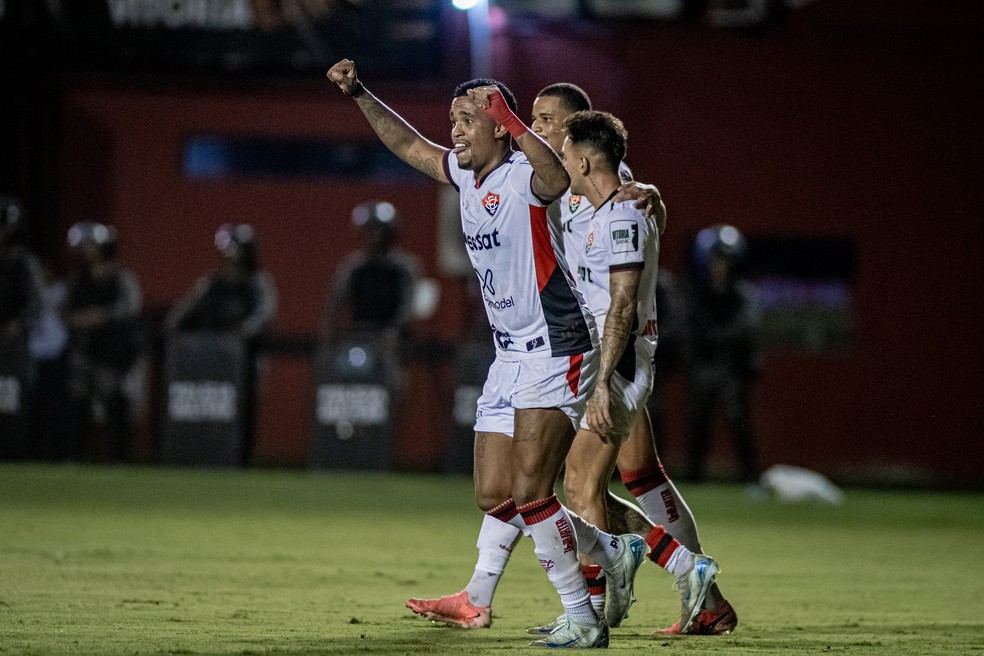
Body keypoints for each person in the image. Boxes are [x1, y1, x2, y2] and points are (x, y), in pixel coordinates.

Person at [328, 59, 646, 648]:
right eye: (452, 119)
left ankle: (581, 617)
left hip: (556, 346)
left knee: (531, 493)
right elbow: (409, 145)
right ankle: (613, 549)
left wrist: (514, 122)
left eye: (467, 119)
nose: (453, 129)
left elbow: (557, 179)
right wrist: (361, 94)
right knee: (493, 494)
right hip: (509, 356)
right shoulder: (465, 175)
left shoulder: (526, 173)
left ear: (500, 125)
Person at [406, 84, 736, 637]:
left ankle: (612, 598)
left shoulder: (614, 191)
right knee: (628, 478)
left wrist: (651, 195)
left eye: (546, 119)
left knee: (569, 486)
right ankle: (683, 591)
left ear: (576, 128)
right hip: (588, 347)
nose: (536, 128)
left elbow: (632, 242)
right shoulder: (559, 183)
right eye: (532, 118)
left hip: (609, 353)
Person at [166, 223, 276, 465]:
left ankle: (241, 461)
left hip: (244, 363)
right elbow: (180, 317)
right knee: (209, 411)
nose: (228, 253)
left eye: (234, 248)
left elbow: (263, 315)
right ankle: (202, 456)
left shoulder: (258, 282)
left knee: (243, 413)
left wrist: (242, 333)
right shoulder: (212, 283)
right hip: (211, 361)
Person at [684, 224, 762, 485]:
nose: (721, 266)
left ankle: (751, 478)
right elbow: (689, 329)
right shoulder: (696, 295)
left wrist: (718, 338)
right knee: (698, 422)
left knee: (739, 420)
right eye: (717, 259)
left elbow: (745, 330)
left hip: (731, 368)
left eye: (727, 260)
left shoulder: (743, 296)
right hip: (704, 366)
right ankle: (693, 478)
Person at [63, 222, 144, 462]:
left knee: (114, 404)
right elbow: (65, 312)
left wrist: (97, 317)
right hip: (85, 350)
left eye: (92, 246)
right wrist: (76, 320)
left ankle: (117, 459)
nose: (88, 251)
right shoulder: (79, 280)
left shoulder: (121, 278)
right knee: (78, 403)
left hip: (114, 352)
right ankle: (75, 455)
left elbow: (130, 308)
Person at [322, 201, 420, 388]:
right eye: (367, 231)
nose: (370, 236)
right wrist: (331, 337)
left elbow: (407, 309)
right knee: (336, 370)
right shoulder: (354, 267)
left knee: (389, 380)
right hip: (357, 337)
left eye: (374, 230)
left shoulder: (404, 269)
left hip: (390, 343)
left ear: (389, 234)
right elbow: (335, 306)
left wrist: (392, 333)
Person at [0, 195, 43, 460]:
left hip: (12, 345)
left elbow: (36, 304)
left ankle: (19, 450)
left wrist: (19, 324)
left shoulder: (23, 263)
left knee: (16, 395)